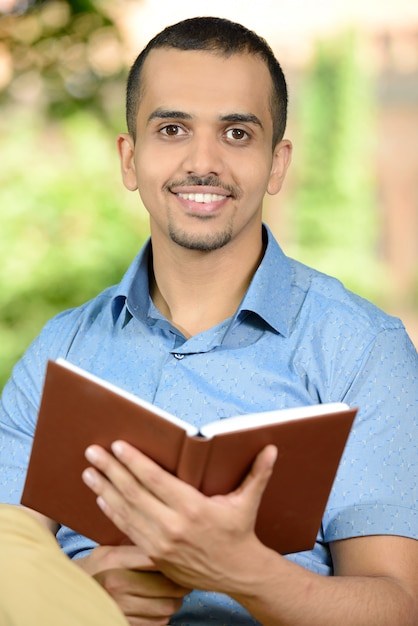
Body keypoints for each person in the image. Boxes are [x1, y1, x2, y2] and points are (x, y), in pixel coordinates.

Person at [0, 15, 417, 626]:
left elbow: (399, 607)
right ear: (129, 156)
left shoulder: (364, 350)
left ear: (277, 164)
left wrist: (242, 572)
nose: (204, 161)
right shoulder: (59, 352)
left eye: (237, 134)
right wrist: (79, 589)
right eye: (172, 129)